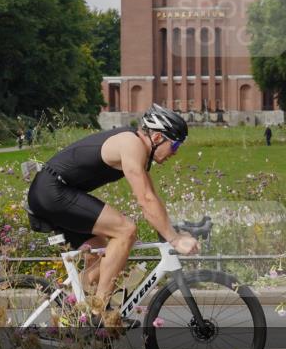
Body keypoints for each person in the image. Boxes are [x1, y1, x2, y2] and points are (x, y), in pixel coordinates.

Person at [26, 104, 200, 328]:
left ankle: (69, 312)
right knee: (126, 230)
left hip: (55, 192)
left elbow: (153, 198)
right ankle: (101, 311)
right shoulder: (131, 144)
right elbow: (145, 199)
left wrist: (172, 231)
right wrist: (174, 239)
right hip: (52, 191)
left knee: (99, 257)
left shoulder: (139, 149)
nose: (175, 152)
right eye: (175, 145)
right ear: (157, 137)